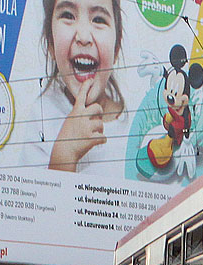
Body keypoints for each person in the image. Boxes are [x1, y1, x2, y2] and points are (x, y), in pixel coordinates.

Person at [13, 0, 130, 173]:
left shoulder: (133, 126)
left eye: (98, 19)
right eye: (68, 15)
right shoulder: (42, 116)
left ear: (116, 48)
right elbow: (33, 198)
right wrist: (64, 155)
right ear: (51, 43)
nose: (83, 37)